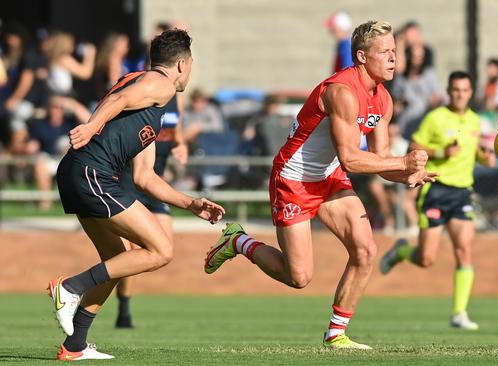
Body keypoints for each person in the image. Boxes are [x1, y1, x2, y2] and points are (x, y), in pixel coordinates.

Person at [203, 20, 435, 350]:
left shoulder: (383, 99)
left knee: (366, 250)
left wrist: (408, 174)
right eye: (385, 52)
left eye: (395, 51)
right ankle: (237, 241)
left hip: (329, 177)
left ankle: (336, 334)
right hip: (293, 179)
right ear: (361, 56)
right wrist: (403, 162)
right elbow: (353, 159)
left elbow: (381, 161)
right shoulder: (341, 92)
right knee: (298, 277)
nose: (394, 58)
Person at [47, 29, 224, 361]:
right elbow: (117, 100)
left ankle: (74, 346)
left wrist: (191, 203)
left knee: (118, 260)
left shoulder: (150, 102)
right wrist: (90, 126)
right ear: (183, 64)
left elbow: (144, 177)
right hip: (91, 172)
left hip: (80, 173)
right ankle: (69, 287)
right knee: (161, 249)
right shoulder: (159, 83)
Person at [379, 71, 496, 330]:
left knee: (464, 250)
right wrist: (441, 151)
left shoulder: (476, 121)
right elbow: (414, 146)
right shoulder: (435, 117)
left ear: (470, 92)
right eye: (455, 89)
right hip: (435, 190)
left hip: (462, 193)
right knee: (426, 259)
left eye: (465, 90)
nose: (460, 94)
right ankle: (401, 250)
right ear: (448, 90)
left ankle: (459, 313)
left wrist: (485, 157)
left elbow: (476, 154)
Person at [114, 92, 187, 328]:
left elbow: (177, 132)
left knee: (163, 249)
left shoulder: (178, 98)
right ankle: (123, 309)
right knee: (133, 249)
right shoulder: (144, 92)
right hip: (130, 181)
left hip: (157, 185)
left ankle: (82, 287)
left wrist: (181, 144)